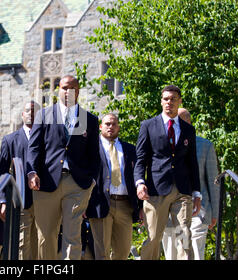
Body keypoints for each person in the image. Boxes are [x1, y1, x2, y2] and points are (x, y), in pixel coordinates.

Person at [27, 75, 101, 260]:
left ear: (77, 92)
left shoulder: (89, 119)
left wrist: (91, 182)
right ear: (58, 89)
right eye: (63, 87)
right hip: (46, 182)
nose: (67, 92)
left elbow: (94, 155)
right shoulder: (44, 115)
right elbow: (34, 148)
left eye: (72, 88)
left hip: (77, 185)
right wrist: (32, 172)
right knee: (46, 236)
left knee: (73, 235)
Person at [134, 85, 202, 260]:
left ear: (179, 101)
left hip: (182, 191)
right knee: (154, 237)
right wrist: (140, 182)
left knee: (184, 236)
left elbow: (192, 162)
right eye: (166, 99)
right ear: (161, 101)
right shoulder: (148, 126)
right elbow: (141, 159)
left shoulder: (188, 130)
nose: (169, 102)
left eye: (173, 99)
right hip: (156, 190)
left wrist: (196, 192)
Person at [162, 108, 219, 260]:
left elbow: (213, 181)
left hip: (198, 211)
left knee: (193, 251)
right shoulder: (164, 142)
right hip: (168, 209)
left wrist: (215, 213)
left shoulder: (205, 146)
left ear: (188, 122)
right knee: (171, 254)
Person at [86, 113, 141, 260]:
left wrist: (140, 206)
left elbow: (138, 176)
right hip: (100, 203)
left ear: (118, 127)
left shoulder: (130, 149)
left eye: (114, 124)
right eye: (107, 124)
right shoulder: (91, 148)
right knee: (101, 253)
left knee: (123, 251)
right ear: (100, 127)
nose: (110, 127)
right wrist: (83, 203)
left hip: (125, 205)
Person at [0, 100, 40, 260]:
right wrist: (3, 201)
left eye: (35, 111)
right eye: (28, 111)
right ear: (22, 114)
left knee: (41, 246)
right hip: (20, 201)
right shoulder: (10, 140)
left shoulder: (46, 140)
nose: (31, 114)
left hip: (44, 200)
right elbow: (3, 173)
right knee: (22, 245)